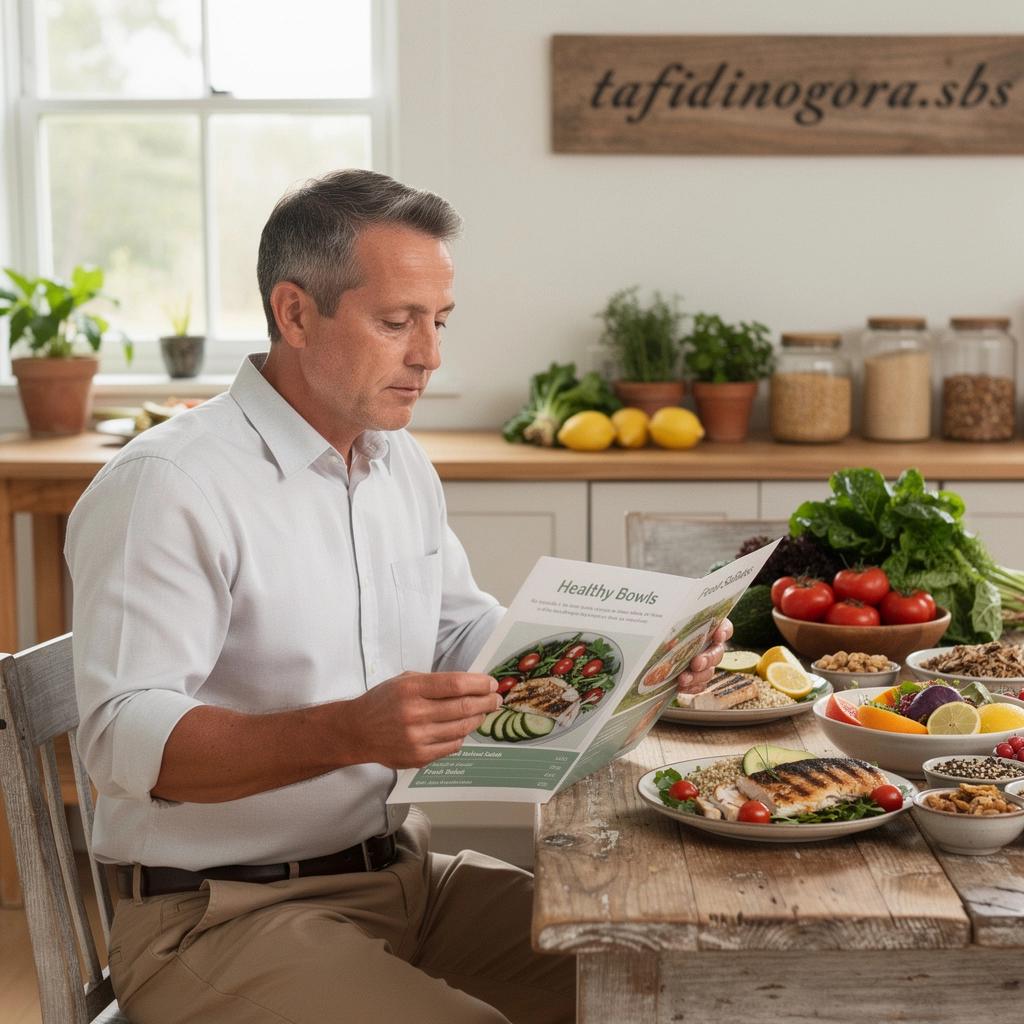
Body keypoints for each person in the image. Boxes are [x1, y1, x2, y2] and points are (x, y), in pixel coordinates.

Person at [66, 168, 729, 1024]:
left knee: (683, 983)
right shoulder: (169, 485)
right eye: (396, 323)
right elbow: (122, 741)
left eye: (439, 322)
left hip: (404, 879)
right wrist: (350, 729)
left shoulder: (392, 459)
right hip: (218, 920)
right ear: (295, 313)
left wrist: (644, 652)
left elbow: (461, 637)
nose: (430, 356)